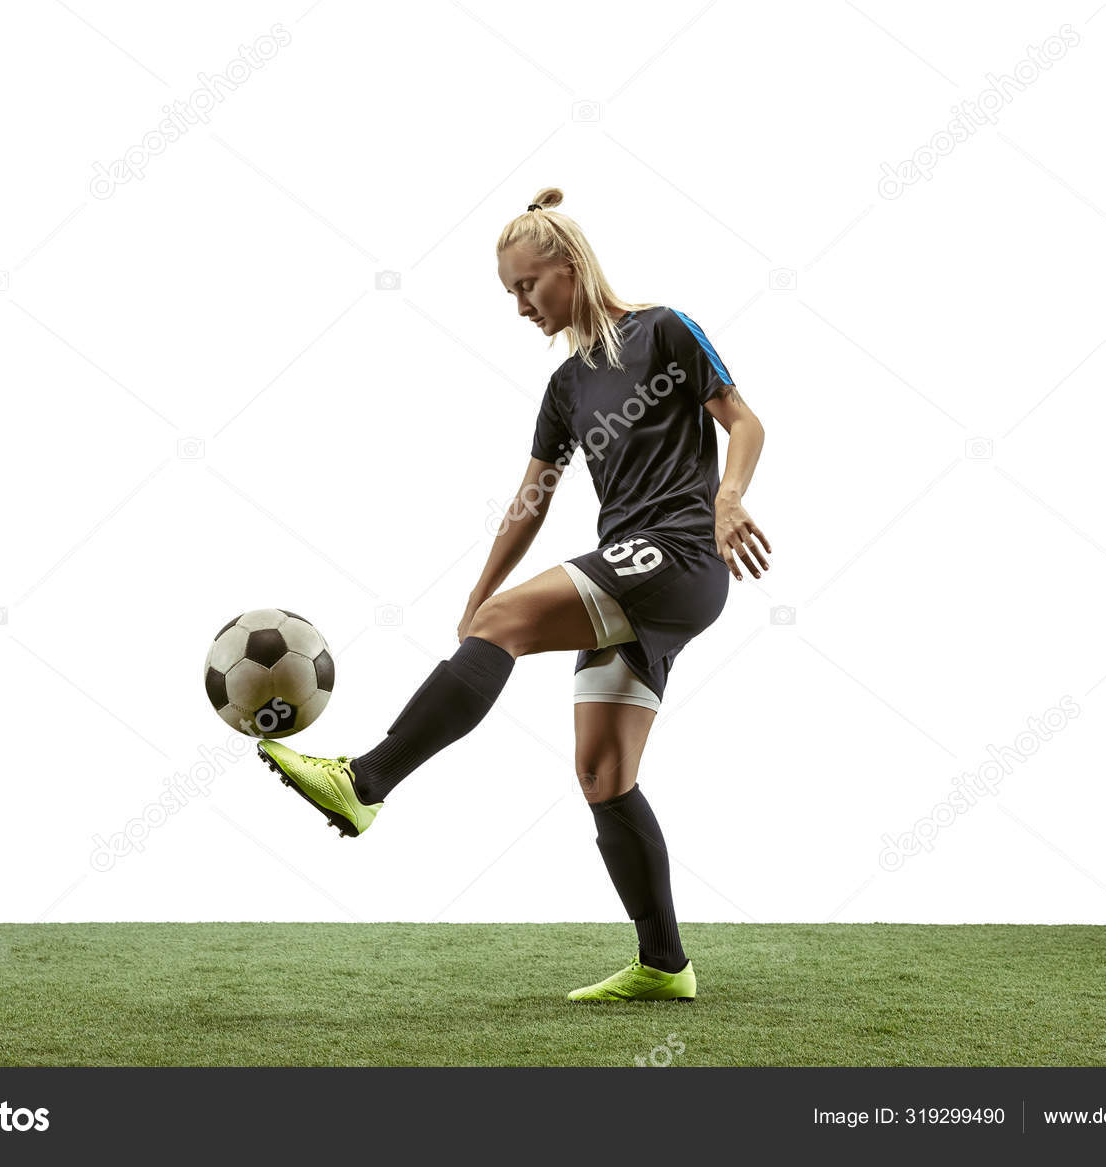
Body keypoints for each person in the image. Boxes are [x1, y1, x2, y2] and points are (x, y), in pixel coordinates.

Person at [258, 186, 770, 1002]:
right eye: (511, 293)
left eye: (528, 286)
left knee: (515, 637)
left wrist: (730, 496)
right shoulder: (566, 386)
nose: (520, 305)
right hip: (627, 571)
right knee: (604, 775)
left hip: (678, 554)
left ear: (569, 268)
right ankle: (665, 965)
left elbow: (744, 421)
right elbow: (530, 500)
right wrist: (481, 597)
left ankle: (364, 784)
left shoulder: (666, 328)